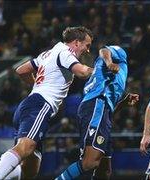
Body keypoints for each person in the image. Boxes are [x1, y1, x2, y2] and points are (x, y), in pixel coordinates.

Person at [0, 26, 93, 179]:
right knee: (26, 147)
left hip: (32, 104)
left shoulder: (48, 53)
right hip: (40, 105)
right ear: (76, 43)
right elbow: (82, 72)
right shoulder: (66, 53)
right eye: (87, 45)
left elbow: (21, 70)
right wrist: (99, 71)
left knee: (31, 168)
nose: (87, 50)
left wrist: (38, 86)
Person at [56, 45, 130, 180]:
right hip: (96, 105)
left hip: (101, 110)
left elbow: (108, 109)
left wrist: (122, 103)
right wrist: (109, 62)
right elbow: (104, 50)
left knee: (104, 170)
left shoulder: (105, 77)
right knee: (89, 162)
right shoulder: (117, 57)